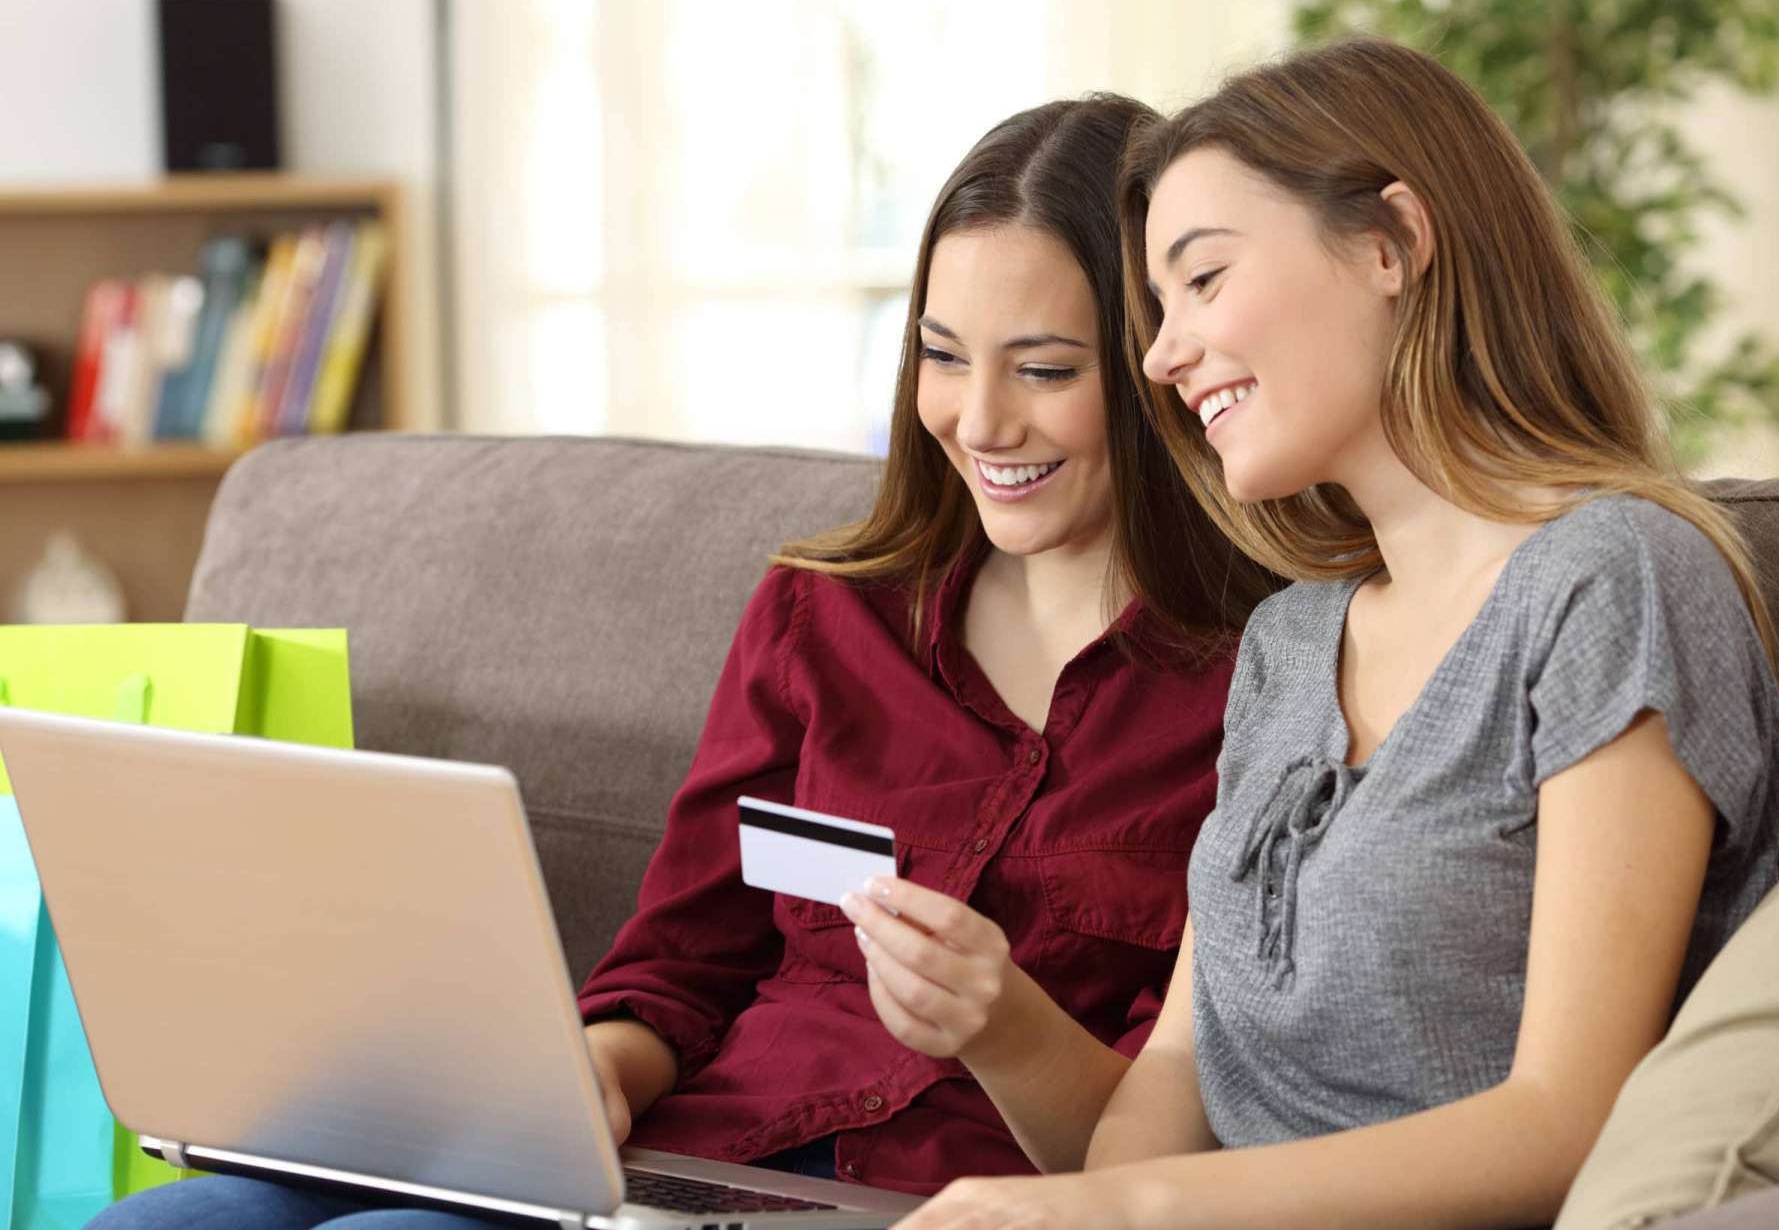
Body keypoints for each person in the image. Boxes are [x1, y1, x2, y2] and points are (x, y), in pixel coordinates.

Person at [87, 94, 1278, 1229]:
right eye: (943, 354)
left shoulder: (1260, 693)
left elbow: (1157, 1164)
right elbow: (682, 958)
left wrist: (1004, 1023)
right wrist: (590, 1072)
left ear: (1155, 367)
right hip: (687, 1159)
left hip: (930, 1194)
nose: (977, 420)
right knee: (186, 1210)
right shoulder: (829, 614)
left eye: (1045, 368)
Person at [895, 38, 1779, 1230]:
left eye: (1203, 280)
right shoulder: (1287, 643)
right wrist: (1103, 1202)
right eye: (1156, 309)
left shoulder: (1613, 579)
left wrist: (1138, 1211)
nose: (1162, 354)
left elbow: (1566, 1120)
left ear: (1390, 244)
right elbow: (1173, 1077)